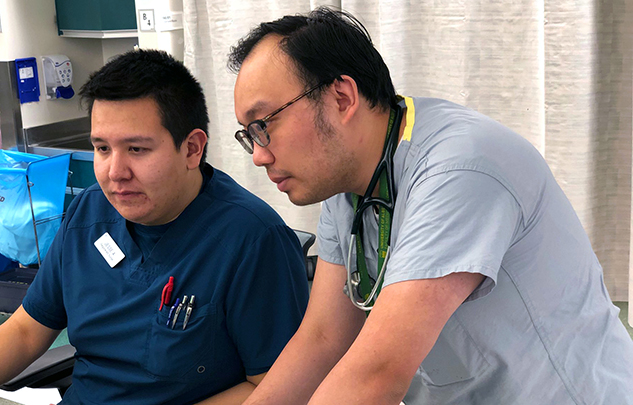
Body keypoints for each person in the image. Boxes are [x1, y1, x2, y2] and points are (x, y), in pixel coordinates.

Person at [229, 7, 633, 404]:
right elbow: (322, 339)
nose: (259, 156)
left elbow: (377, 375)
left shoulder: (461, 167)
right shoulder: (347, 190)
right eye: (249, 136)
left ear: (341, 97)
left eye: (264, 125)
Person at [0, 49, 310, 404]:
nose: (115, 173)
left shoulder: (252, 240)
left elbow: (272, 388)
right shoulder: (89, 213)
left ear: (191, 149)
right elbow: (24, 331)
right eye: (102, 148)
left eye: (137, 150)